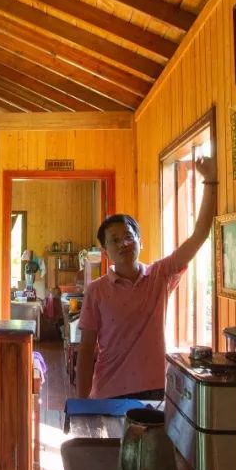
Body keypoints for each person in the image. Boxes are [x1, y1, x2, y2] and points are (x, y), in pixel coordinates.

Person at [76, 158, 217, 400]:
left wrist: (210, 182)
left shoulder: (159, 275)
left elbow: (199, 236)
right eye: (115, 240)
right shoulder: (97, 290)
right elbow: (87, 348)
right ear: (105, 250)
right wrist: (80, 404)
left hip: (155, 391)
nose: (124, 244)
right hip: (109, 392)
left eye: (129, 236)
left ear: (140, 242)